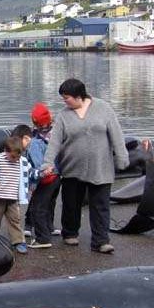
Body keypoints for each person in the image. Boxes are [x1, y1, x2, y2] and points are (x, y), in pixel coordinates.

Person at [40, 78, 128, 255]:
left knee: (100, 205)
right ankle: (70, 232)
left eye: (66, 98)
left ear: (78, 96)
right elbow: (55, 142)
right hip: (72, 167)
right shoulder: (64, 116)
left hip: (100, 166)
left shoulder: (103, 108)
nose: (64, 101)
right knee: (71, 203)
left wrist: (122, 157)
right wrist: (47, 163)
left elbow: (116, 134)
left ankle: (101, 241)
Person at [0, 135, 36, 255]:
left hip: (12, 198)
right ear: (6, 151)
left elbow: (31, 172)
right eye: (13, 156)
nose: (15, 159)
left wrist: (41, 173)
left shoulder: (22, 161)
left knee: (15, 220)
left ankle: (18, 241)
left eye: (18, 157)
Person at [24, 103, 60, 250]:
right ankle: (48, 228)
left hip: (45, 176)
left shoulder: (34, 142)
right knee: (49, 203)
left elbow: (39, 163)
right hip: (57, 175)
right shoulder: (57, 133)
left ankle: (42, 238)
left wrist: (37, 175)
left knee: (38, 206)